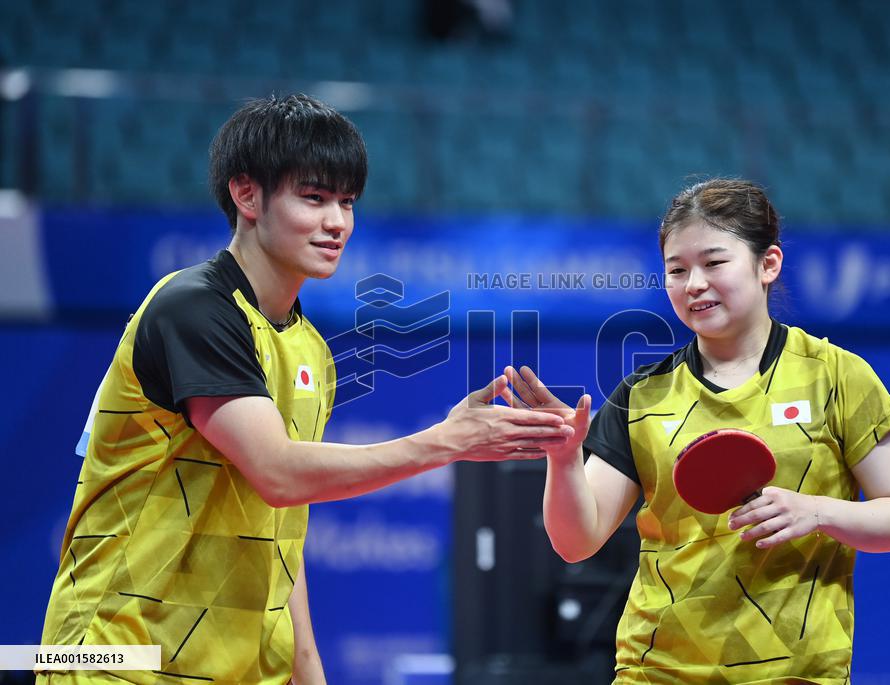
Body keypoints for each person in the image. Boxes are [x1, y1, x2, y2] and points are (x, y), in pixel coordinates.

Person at [37, 94, 574, 685]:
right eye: (314, 198)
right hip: (118, 656)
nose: (337, 222)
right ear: (247, 196)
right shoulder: (192, 309)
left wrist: (308, 669)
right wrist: (447, 441)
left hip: (239, 668)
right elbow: (279, 472)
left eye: (347, 202)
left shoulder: (311, 348)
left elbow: (281, 525)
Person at [504, 178, 890, 684]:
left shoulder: (836, 376)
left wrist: (816, 511)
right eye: (676, 270)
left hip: (796, 673)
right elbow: (576, 543)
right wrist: (564, 458)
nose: (693, 284)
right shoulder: (642, 395)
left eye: (713, 262)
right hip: (656, 671)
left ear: (768, 264)